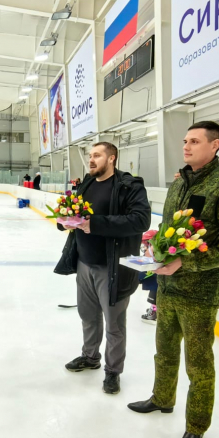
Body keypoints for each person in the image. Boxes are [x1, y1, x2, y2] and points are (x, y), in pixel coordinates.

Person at [128, 121, 219, 438]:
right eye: (185, 140)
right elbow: (172, 228)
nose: (186, 146)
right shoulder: (180, 182)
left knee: (198, 365)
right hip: (167, 286)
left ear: (215, 145)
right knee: (164, 351)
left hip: (199, 293)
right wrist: (157, 239)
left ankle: (196, 427)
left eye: (194, 141)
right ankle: (162, 398)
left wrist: (186, 262)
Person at [55, 142, 151, 395]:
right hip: (84, 263)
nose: (91, 160)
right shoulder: (87, 183)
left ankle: (113, 371)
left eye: (97, 155)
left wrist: (95, 224)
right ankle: (90, 357)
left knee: (114, 325)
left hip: (113, 268)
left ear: (112, 158)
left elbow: (140, 220)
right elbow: (72, 212)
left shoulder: (129, 185)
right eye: (90, 155)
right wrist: (64, 221)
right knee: (88, 316)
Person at [140, 229, 158, 324]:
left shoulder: (156, 256)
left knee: (155, 290)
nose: (145, 247)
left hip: (158, 281)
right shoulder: (151, 254)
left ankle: (154, 312)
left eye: (146, 244)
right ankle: (155, 308)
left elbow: (146, 272)